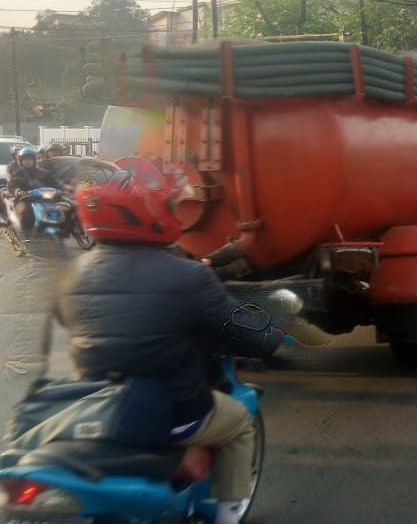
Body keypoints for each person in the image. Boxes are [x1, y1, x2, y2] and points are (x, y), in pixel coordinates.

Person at [56, 173, 283, 524]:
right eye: (170, 206)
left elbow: (70, 319)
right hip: (170, 411)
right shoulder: (188, 277)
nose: (176, 214)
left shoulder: (71, 272)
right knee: (239, 422)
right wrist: (270, 332)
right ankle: (227, 517)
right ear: (147, 213)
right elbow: (253, 338)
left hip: (94, 404)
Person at [7, 145, 59, 234]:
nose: (28, 161)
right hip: (24, 199)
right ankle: (26, 234)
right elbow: (12, 186)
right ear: (21, 161)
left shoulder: (44, 173)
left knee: (58, 210)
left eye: (30, 159)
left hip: (42, 199)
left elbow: (54, 185)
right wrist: (19, 192)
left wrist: (58, 191)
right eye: (25, 159)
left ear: (34, 160)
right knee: (27, 212)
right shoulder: (17, 174)